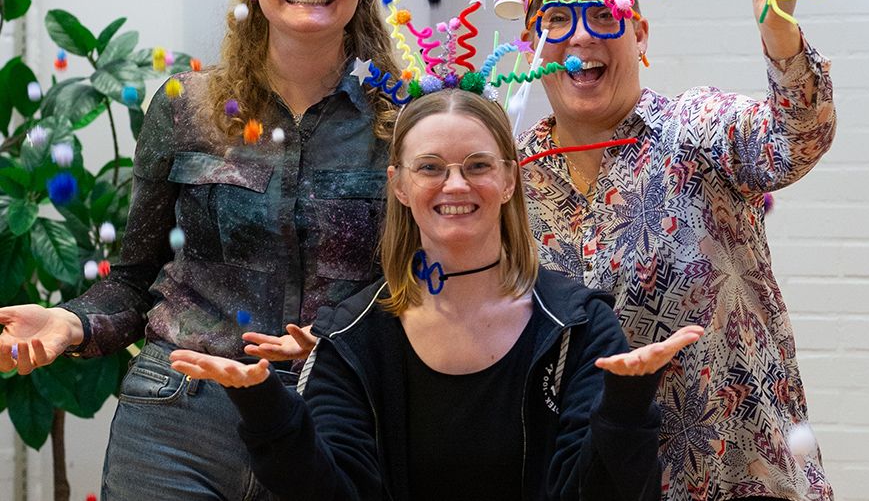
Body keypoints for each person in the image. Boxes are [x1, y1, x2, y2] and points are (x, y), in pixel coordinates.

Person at [0, 0, 398, 500]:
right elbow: (137, 277)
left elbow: (426, 286)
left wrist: (346, 338)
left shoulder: (402, 122)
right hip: (177, 417)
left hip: (335, 420)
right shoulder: (188, 106)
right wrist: (73, 324)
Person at [170, 88, 704, 501]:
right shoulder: (354, 333)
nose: (455, 185)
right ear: (399, 185)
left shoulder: (578, 326)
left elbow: (601, 494)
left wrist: (627, 406)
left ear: (509, 180)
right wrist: (266, 409)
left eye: (477, 166)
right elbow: (332, 492)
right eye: (430, 167)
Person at [517, 0, 835, 500]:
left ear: (639, 34)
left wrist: (779, 31)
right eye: (557, 19)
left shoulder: (696, 129)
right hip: (585, 483)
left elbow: (797, 137)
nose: (580, 37)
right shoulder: (504, 180)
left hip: (734, 475)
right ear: (531, 45)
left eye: (604, 14)